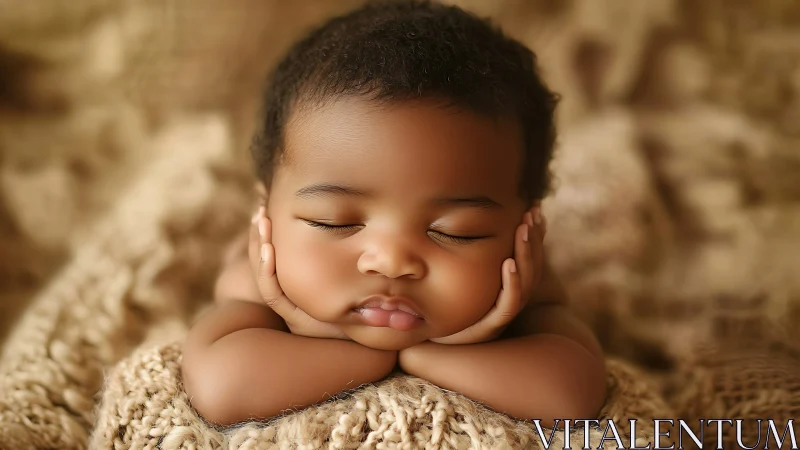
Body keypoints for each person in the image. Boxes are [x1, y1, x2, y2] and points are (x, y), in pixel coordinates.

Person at [181, 0, 607, 428]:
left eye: (457, 232)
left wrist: (421, 353)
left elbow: (569, 397)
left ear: (526, 232)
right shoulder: (259, 276)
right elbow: (224, 388)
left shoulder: (523, 281)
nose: (391, 261)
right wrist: (383, 351)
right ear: (265, 216)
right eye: (334, 221)